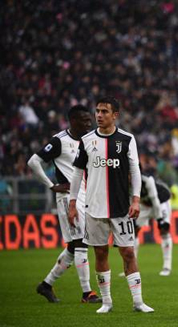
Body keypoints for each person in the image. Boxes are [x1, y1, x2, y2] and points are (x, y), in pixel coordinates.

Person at [68, 96, 153, 313]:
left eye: (104, 111)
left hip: (121, 208)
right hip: (94, 208)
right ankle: (106, 302)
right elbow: (77, 173)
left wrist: (135, 199)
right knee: (100, 253)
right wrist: (72, 202)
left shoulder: (126, 139)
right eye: (97, 111)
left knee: (128, 252)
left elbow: (135, 171)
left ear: (115, 115)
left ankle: (138, 302)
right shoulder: (87, 140)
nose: (99, 115)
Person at [28, 104, 101, 304]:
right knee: (81, 242)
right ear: (72, 121)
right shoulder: (60, 141)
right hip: (69, 197)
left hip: (86, 195)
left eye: (89, 119)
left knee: (72, 247)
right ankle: (87, 293)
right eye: (84, 120)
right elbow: (33, 162)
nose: (89, 123)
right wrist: (52, 186)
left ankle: (46, 285)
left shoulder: (89, 140)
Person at [133, 174, 173, 276]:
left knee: (164, 230)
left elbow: (155, 199)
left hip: (161, 202)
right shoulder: (127, 182)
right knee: (133, 231)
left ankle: (167, 266)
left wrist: (159, 219)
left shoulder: (147, 181)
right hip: (144, 205)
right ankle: (132, 266)